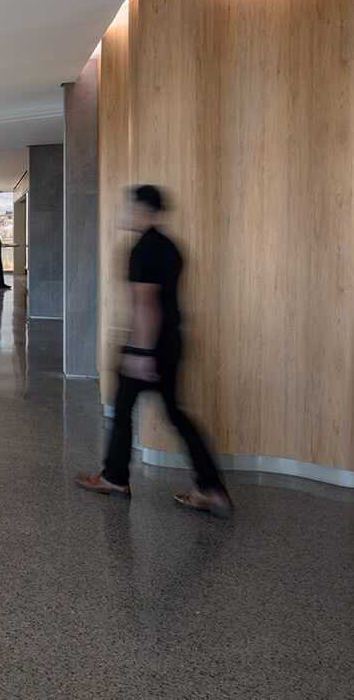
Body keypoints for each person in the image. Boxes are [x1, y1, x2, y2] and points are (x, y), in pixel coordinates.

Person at [75, 185, 232, 516]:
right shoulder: (169, 246)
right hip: (170, 342)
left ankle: (116, 478)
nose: (124, 212)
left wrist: (141, 353)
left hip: (149, 347)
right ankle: (211, 487)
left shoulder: (144, 249)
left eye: (128, 207)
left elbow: (146, 303)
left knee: (124, 409)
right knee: (172, 414)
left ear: (142, 210)